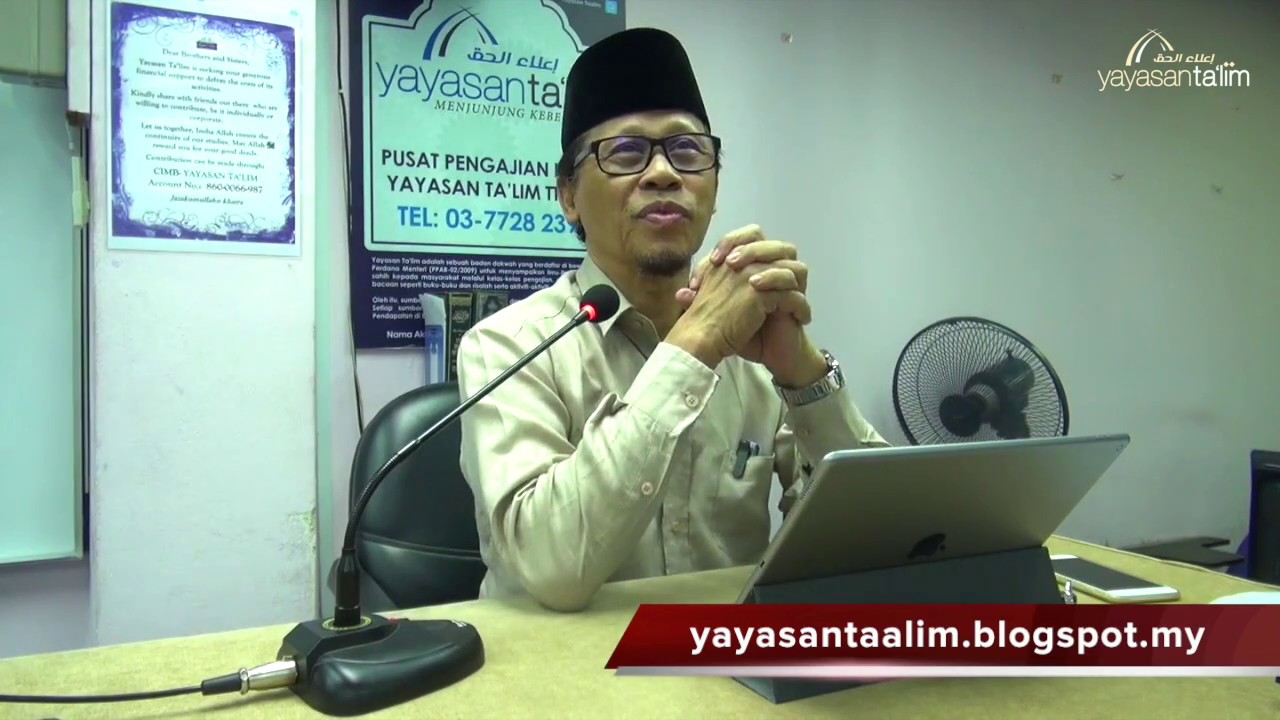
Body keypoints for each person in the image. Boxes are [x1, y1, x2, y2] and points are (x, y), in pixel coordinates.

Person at [456, 27, 888, 612]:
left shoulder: (754, 345)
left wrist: (803, 375)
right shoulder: (507, 346)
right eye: (625, 152)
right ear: (569, 197)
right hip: (565, 664)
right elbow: (552, 569)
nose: (664, 173)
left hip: (723, 659)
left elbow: (881, 538)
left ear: (714, 186)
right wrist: (693, 348)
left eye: (687, 151)